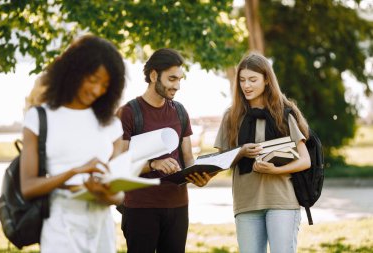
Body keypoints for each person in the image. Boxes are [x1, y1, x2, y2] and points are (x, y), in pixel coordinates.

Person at [20, 34, 126, 253]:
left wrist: (105, 193)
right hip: (61, 225)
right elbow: (28, 187)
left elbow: (120, 195)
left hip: (101, 227)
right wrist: (75, 171)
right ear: (74, 72)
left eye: (105, 84)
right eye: (93, 80)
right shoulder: (40, 118)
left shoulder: (111, 124)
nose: (97, 90)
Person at [214, 52, 311, 253]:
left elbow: (305, 160)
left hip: (282, 201)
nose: (246, 85)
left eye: (252, 79)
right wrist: (240, 152)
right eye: (242, 80)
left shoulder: (283, 113)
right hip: (246, 202)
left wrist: (274, 170)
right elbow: (220, 161)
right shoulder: (231, 117)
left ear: (267, 80)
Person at [117, 48, 212, 253]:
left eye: (180, 79)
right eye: (171, 79)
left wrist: (198, 174)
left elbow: (187, 157)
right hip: (140, 208)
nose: (177, 86)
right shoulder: (129, 113)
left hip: (178, 207)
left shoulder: (179, 111)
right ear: (153, 76)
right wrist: (153, 164)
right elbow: (119, 166)